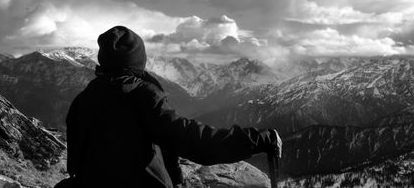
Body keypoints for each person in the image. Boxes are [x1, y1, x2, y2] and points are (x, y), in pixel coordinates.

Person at [64, 26, 282, 188]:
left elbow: (75, 164)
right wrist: (256, 140)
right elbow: (192, 141)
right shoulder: (143, 95)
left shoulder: (83, 100)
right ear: (137, 60)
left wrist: (175, 176)